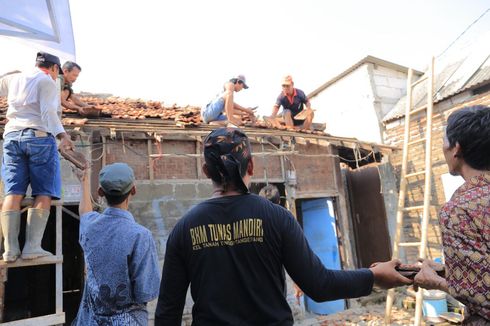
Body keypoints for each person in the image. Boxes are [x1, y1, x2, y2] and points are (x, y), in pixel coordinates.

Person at [155, 127, 411, 325]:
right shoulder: (276, 218)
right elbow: (319, 285)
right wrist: (374, 276)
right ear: (251, 166)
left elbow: (168, 312)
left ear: (205, 171)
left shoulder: (184, 229)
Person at [414, 105, 490, 325]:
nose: (442, 147)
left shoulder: (458, 210)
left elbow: (482, 296)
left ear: (456, 148)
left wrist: (437, 283)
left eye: (444, 141)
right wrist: (449, 271)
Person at [0, 52, 73, 262]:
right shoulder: (47, 81)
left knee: (13, 192)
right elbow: (48, 113)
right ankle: (32, 247)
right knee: (44, 192)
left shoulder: (15, 78)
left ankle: (10, 250)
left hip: (12, 137)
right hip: (38, 137)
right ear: (55, 69)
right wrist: (63, 136)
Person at [72, 162, 160, 325]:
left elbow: (84, 212)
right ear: (133, 190)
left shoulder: (89, 226)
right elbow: (146, 292)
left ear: (100, 192)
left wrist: (84, 181)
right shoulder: (140, 236)